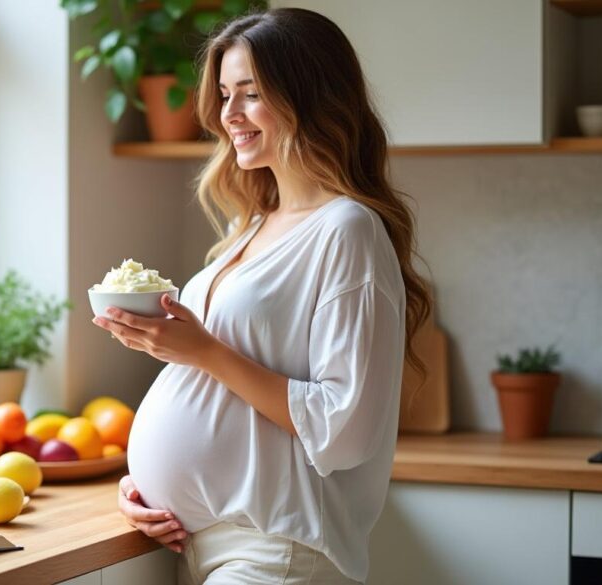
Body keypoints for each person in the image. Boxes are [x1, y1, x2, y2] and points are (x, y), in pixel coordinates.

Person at [90, 8, 432, 585]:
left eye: (249, 94)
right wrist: (143, 486)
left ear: (311, 97)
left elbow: (343, 427)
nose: (228, 116)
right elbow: (220, 395)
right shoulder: (251, 227)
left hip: (278, 553)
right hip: (203, 546)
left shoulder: (347, 230)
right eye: (224, 95)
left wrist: (201, 351)